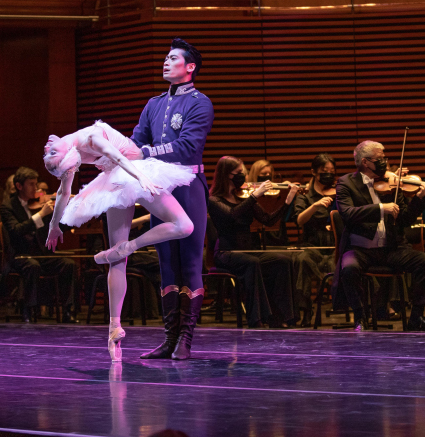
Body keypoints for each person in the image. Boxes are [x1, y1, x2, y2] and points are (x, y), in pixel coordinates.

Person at [42, 120, 195, 361]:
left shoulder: (90, 138)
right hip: (120, 177)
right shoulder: (74, 147)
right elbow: (64, 191)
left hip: (131, 171)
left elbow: (118, 157)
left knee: (181, 227)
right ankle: (114, 329)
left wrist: (141, 177)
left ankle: (127, 247)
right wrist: (53, 226)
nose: (46, 147)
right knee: (177, 229)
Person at [131, 38, 213, 361]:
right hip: (160, 192)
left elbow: (188, 147)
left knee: (191, 264)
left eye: (173, 58)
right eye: (165, 57)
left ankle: (186, 340)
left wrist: (145, 152)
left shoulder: (200, 103)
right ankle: (169, 339)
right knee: (166, 266)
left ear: (189, 67)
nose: (165, 61)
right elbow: (137, 141)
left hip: (189, 187)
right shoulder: (153, 104)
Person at [335, 140, 425, 331]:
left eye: (385, 157)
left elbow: (404, 220)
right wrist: (380, 208)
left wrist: (419, 199)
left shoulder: (392, 185)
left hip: (390, 248)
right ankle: (361, 317)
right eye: (380, 158)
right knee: (349, 269)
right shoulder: (346, 183)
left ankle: (416, 318)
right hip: (361, 249)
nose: (385, 161)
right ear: (366, 162)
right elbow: (348, 213)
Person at [208, 156, 298, 327]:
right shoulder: (214, 200)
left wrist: (288, 199)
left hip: (248, 251)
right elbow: (231, 216)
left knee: (282, 261)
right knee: (252, 263)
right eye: (240, 173)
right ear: (227, 175)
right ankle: (256, 318)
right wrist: (255, 195)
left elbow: (268, 220)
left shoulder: (243, 197)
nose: (243, 176)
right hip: (226, 253)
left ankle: (281, 317)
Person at [0, 167, 77, 324]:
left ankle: (67, 310)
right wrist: (41, 215)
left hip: (41, 253)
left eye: (36, 184)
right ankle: (28, 310)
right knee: (32, 266)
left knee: (69, 264)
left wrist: (70, 214)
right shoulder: (8, 206)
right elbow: (16, 230)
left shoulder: (39, 204)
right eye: (31, 184)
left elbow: (57, 228)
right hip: (20, 255)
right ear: (19, 186)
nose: (36, 189)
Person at [291, 153, 337, 325]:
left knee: (342, 261)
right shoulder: (305, 196)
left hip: (334, 245)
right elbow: (299, 220)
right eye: (324, 171)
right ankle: (306, 310)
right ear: (314, 172)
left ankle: (349, 306)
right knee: (302, 260)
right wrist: (314, 206)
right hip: (312, 245)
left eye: (332, 171)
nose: (329, 174)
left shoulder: (340, 194)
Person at [247, 159, 289, 247]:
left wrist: (284, 189)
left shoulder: (275, 191)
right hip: (254, 233)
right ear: (255, 175)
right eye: (264, 174)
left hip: (274, 232)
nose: (267, 176)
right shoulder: (247, 192)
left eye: (269, 174)